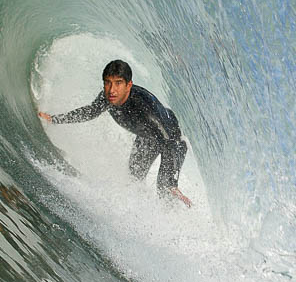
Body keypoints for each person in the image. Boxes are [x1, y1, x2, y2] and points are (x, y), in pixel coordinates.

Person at [38, 60, 192, 207]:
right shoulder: (108, 98)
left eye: (118, 83)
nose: (112, 90)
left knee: (165, 188)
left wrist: (172, 182)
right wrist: (54, 119)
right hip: (148, 137)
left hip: (173, 139)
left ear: (128, 85)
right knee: (134, 177)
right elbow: (90, 112)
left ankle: (176, 216)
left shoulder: (145, 108)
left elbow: (168, 142)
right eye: (108, 83)